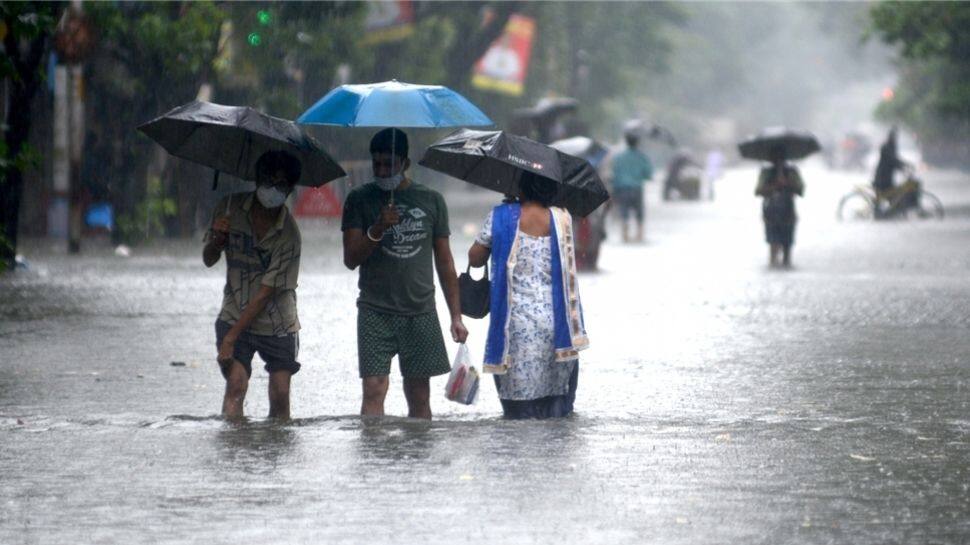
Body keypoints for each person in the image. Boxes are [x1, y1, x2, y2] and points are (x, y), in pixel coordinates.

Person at [342, 128, 468, 420]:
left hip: (419, 310)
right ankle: (373, 455)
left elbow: (445, 261)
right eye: (377, 164)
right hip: (375, 310)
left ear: (405, 164)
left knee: (419, 394)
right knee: (373, 389)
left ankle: (418, 462)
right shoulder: (358, 199)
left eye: (389, 164)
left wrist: (456, 316)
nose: (382, 170)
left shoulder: (431, 200)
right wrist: (378, 229)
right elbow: (350, 259)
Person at [467, 172, 589, 419]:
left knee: (518, 414)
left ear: (521, 186)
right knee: (556, 412)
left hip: (517, 328)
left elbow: (475, 259)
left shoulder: (501, 217)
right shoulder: (562, 218)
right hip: (558, 326)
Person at [204, 150, 303, 420]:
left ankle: (275, 453)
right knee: (236, 385)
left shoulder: (289, 235)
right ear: (257, 179)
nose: (273, 188)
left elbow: (265, 293)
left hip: (278, 322)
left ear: (290, 189)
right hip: (234, 311)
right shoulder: (228, 209)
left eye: (281, 184)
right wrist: (217, 240)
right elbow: (208, 259)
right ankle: (235, 452)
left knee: (280, 393)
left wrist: (230, 338)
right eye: (269, 180)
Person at [755, 149, 804, 268]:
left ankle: (786, 262)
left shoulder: (792, 172)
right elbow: (758, 191)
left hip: (788, 210)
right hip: (770, 211)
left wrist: (788, 183)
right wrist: (774, 185)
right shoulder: (766, 172)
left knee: (787, 241)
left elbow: (800, 190)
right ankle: (773, 261)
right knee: (773, 240)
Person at [610, 131, 653, 242]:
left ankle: (625, 236)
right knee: (639, 213)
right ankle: (639, 236)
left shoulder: (618, 157)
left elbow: (614, 174)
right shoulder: (642, 157)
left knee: (624, 213)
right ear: (637, 143)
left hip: (622, 188)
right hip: (637, 188)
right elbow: (648, 174)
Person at [872, 127, 916, 216]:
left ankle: (888, 214)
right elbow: (893, 161)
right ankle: (882, 214)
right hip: (882, 179)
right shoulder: (886, 147)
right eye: (894, 137)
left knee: (894, 197)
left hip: (887, 178)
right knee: (892, 196)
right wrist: (905, 166)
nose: (895, 139)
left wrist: (905, 167)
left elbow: (896, 161)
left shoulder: (891, 147)